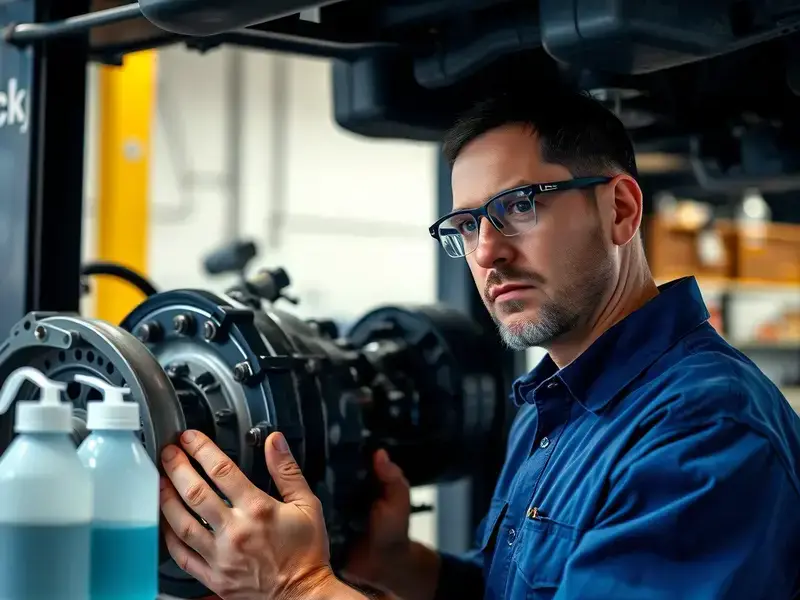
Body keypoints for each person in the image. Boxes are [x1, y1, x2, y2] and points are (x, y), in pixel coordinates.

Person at [159, 88, 800, 600]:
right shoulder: (553, 406)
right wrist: (400, 566)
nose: (487, 252)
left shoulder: (702, 429)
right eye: (465, 225)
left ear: (621, 211)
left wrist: (297, 586)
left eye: (519, 206)